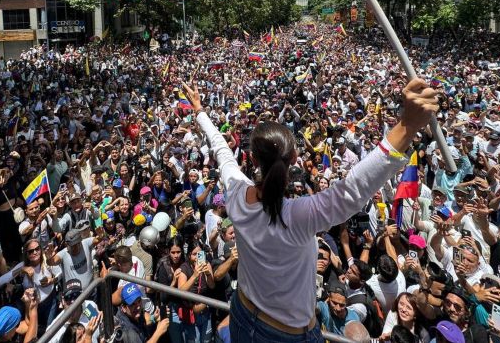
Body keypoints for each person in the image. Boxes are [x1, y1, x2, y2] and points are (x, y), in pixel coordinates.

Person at [182, 78, 439, 342]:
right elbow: (351, 191)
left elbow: (221, 148)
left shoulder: (235, 193)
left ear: (251, 159)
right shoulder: (298, 215)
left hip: (242, 311)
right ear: (295, 159)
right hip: (283, 336)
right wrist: (407, 126)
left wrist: (200, 110)